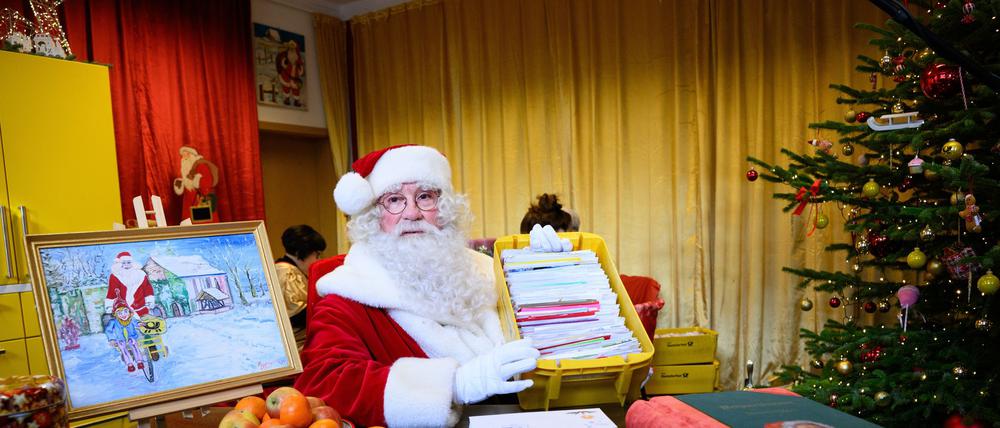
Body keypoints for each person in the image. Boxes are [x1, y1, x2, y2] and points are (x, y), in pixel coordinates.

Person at [295, 145, 564, 427]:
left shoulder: (487, 271)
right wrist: (453, 386)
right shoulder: (347, 294)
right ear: (374, 216)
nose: (412, 213)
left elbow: (555, 338)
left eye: (425, 197)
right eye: (394, 200)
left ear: (444, 209)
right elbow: (323, 381)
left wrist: (547, 271)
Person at [274, 225, 326, 348]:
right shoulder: (288, 273)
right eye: (316, 255)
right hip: (296, 345)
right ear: (299, 253)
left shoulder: (280, 268)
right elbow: (297, 316)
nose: (318, 260)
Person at [172, 145, 219, 223]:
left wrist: (196, 180)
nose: (184, 158)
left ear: (192, 154)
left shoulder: (201, 166)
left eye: (186, 154)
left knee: (202, 230)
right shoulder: (187, 170)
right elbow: (189, 186)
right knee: (190, 230)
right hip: (189, 206)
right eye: (182, 156)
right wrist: (181, 183)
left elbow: (207, 185)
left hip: (200, 205)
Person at [105, 252, 155, 317]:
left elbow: (147, 288)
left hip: (140, 306)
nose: (126, 265)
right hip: (123, 310)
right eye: (123, 263)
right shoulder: (115, 276)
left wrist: (149, 301)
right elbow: (112, 292)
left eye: (128, 262)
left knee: (143, 324)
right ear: (119, 264)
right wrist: (109, 306)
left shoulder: (141, 275)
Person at [105, 299, 145, 373]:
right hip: (120, 339)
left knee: (134, 346)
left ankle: (139, 361)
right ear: (115, 314)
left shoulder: (131, 319)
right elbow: (108, 330)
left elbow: (136, 322)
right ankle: (129, 364)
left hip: (131, 336)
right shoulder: (113, 322)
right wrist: (111, 339)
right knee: (123, 349)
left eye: (125, 311)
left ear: (129, 312)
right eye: (119, 313)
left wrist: (139, 324)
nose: (123, 315)